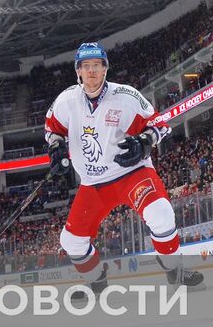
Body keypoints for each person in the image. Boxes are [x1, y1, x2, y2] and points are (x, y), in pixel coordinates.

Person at [45, 43, 204, 293]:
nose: (91, 71)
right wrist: (55, 147)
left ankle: (175, 270)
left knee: (161, 212)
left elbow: (159, 125)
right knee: (71, 241)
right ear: (78, 71)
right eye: (86, 66)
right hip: (93, 183)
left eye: (96, 65)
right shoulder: (66, 100)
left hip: (131, 174)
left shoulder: (126, 96)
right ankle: (97, 280)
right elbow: (52, 130)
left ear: (105, 69)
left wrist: (145, 141)